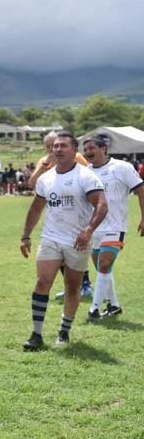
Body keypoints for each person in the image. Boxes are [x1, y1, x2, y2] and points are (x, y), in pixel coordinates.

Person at [21, 133, 107, 350]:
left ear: (74, 150)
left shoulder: (86, 176)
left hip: (78, 240)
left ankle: (64, 331)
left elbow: (102, 206)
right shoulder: (46, 179)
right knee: (42, 282)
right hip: (51, 238)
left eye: (63, 146)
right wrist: (25, 236)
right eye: (55, 146)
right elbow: (36, 208)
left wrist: (88, 230)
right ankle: (36, 334)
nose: (57, 150)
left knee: (72, 287)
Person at [80, 134, 144, 321]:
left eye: (91, 148)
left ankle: (94, 309)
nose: (88, 152)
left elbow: (141, 190)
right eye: (85, 149)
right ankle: (114, 305)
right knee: (102, 269)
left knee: (105, 264)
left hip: (115, 225)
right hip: (93, 228)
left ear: (104, 149)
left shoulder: (122, 167)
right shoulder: (85, 172)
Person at [28, 132, 93, 298]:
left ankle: (84, 284)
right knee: (58, 251)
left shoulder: (75, 157)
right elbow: (31, 184)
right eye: (49, 146)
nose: (53, 149)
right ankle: (69, 286)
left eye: (55, 145)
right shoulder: (44, 161)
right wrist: (44, 166)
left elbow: (89, 176)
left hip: (77, 213)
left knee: (75, 249)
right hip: (56, 213)